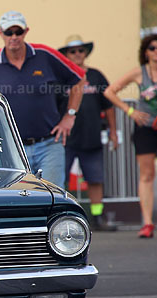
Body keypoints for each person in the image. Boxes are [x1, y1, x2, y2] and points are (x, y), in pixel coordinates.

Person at [0, 11, 86, 188]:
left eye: (18, 32)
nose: (14, 37)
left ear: (26, 32)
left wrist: (70, 116)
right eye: (9, 32)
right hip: (11, 150)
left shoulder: (45, 55)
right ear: (0, 33)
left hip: (49, 145)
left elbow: (79, 78)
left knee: (53, 197)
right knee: (16, 198)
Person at [104, 34, 157, 238]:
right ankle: (147, 222)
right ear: (146, 52)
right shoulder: (139, 72)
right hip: (145, 127)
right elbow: (110, 91)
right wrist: (130, 111)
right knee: (146, 174)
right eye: (152, 48)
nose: (156, 52)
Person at [58, 35, 117, 231]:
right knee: (61, 180)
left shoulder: (96, 76)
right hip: (65, 139)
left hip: (91, 137)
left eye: (80, 50)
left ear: (85, 53)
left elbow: (108, 106)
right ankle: (63, 216)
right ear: (66, 54)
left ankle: (97, 217)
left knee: (95, 179)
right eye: (72, 51)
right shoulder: (61, 77)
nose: (77, 54)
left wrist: (113, 131)